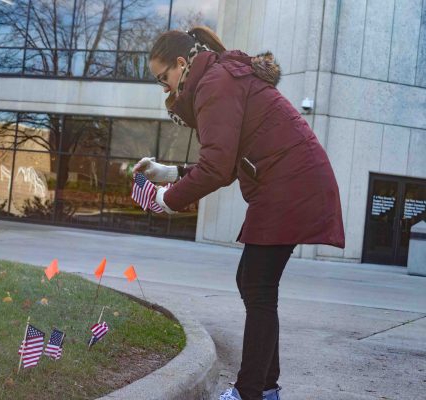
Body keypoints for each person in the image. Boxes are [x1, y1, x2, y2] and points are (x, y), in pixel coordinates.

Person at [133, 26, 345, 400]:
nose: (163, 88)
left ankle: (252, 392)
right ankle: (264, 388)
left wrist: (167, 199)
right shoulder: (220, 77)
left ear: (181, 64)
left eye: (163, 78)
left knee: (258, 286)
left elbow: (216, 167)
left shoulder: (215, 83)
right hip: (287, 182)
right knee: (253, 281)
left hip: (290, 184)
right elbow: (226, 161)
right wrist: (170, 174)